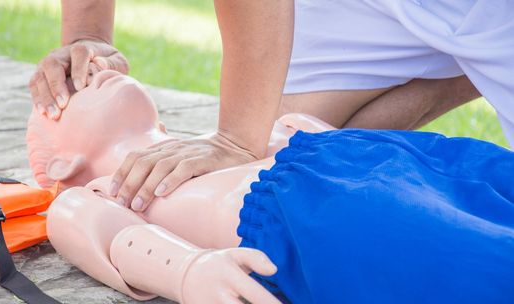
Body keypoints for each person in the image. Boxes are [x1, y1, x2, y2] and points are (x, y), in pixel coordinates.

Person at [32, 72, 514, 303]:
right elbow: (92, 229)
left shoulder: (223, 136)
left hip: (423, 160)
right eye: (66, 93)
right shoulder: (98, 190)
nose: (88, 69)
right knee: (487, 265)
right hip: (337, 211)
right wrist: (188, 271)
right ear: (62, 162)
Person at [28, 0, 502, 211]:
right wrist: (85, 33)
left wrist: (235, 137)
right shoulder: (99, 200)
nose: (95, 74)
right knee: (291, 136)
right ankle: (471, 60)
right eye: (79, 91)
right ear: (68, 165)